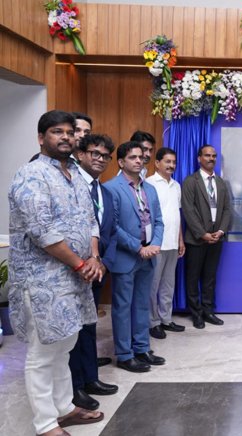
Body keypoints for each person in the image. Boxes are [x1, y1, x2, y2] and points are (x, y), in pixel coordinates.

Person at [8, 110, 104, 435]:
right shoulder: (31, 175)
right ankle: (45, 422)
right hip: (42, 281)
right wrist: (80, 264)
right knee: (42, 353)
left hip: (75, 279)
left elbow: (90, 220)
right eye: (56, 132)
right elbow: (42, 230)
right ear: (41, 138)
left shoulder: (75, 172)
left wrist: (93, 257)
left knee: (65, 346)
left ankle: (64, 408)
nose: (65, 137)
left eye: (69, 132)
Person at [105, 141, 165, 373]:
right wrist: (138, 247)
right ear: (121, 162)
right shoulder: (111, 188)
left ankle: (142, 348)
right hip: (126, 257)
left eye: (141, 157)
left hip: (149, 255)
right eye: (133, 157)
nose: (139, 160)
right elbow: (113, 226)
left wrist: (155, 244)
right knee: (122, 307)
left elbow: (158, 220)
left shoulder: (150, 188)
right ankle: (124, 354)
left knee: (142, 304)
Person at [69, 134, 119, 411]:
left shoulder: (105, 192)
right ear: (81, 154)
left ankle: (91, 378)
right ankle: (75, 386)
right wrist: (84, 262)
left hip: (98, 270)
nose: (100, 159)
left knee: (90, 327)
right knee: (74, 331)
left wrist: (104, 263)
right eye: (94, 153)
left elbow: (111, 231)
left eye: (105, 156)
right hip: (75, 270)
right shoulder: (72, 186)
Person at [182, 145, 232, 329]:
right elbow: (188, 210)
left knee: (210, 278)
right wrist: (202, 234)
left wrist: (221, 231)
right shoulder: (190, 181)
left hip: (216, 239)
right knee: (193, 277)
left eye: (214, 156)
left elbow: (227, 210)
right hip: (196, 239)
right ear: (199, 158)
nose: (211, 158)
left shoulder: (221, 183)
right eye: (207, 155)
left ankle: (208, 311)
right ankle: (196, 314)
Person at [146, 148, 186, 339]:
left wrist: (180, 240)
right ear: (157, 163)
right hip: (156, 244)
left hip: (173, 243)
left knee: (168, 285)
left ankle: (166, 319)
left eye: (174, 162)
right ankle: (152, 323)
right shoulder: (149, 184)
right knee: (152, 286)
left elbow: (177, 215)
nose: (171, 165)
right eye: (167, 161)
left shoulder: (176, 186)